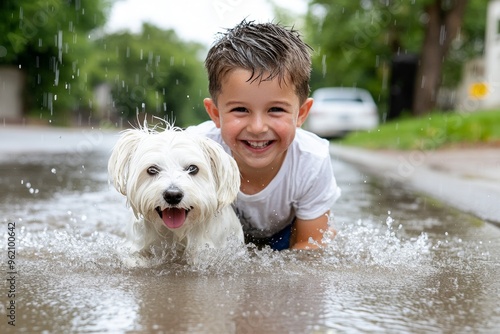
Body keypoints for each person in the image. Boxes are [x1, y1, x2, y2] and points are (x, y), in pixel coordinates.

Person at [187, 20, 341, 250]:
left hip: (283, 234)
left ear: (301, 114)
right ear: (215, 114)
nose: (258, 127)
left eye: (275, 110)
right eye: (241, 110)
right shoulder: (195, 150)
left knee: (319, 242)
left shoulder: (311, 160)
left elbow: (307, 251)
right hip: (219, 235)